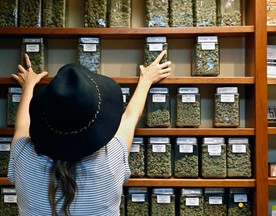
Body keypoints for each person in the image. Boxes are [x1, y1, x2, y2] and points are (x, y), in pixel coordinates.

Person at [8, 51, 172, 216]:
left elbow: (22, 125)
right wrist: (146, 81)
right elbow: (130, 116)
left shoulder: (22, 154)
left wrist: (28, 87)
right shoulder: (111, 156)